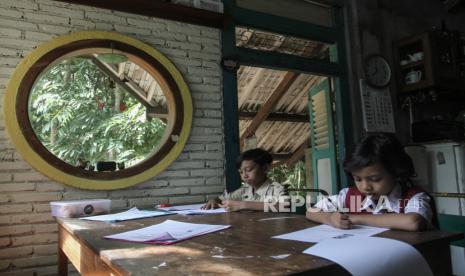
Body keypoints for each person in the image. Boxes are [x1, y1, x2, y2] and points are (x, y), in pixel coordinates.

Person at [306, 133, 436, 231]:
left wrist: (354, 218)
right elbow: (311, 211)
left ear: (396, 173)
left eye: (375, 179)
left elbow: (413, 222)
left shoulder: (414, 197)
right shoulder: (350, 196)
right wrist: (330, 218)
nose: (365, 187)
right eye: (358, 179)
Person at [202, 148, 286, 211]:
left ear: (265, 168)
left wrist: (243, 204)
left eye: (248, 170)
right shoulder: (245, 190)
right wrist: (213, 200)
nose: (244, 176)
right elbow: (221, 199)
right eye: (241, 172)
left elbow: (285, 206)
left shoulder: (276, 189)